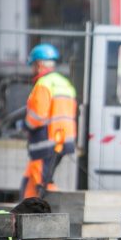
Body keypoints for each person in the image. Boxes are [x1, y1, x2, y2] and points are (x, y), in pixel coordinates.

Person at [21, 43, 77, 199]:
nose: (32, 70)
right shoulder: (65, 83)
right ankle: (25, 212)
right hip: (62, 141)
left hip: (45, 143)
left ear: (39, 65)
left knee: (42, 183)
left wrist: (25, 125)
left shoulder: (43, 84)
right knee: (35, 181)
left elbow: (37, 117)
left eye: (33, 65)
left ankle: (50, 212)